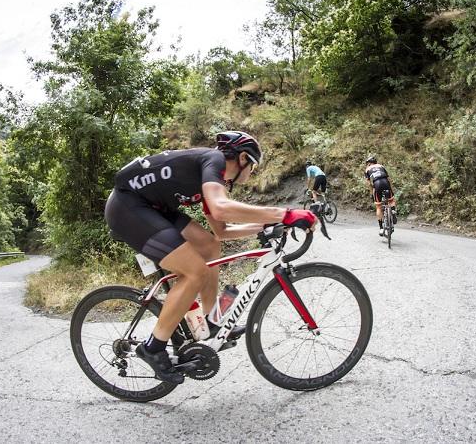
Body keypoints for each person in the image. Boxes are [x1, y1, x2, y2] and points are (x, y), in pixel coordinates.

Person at [105, 131, 318, 384]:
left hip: (154, 208)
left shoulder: (213, 181)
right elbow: (220, 208)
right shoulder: (213, 160)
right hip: (128, 206)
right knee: (195, 272)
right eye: (252, 165)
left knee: (209, 246)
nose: (252, 172)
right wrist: (283, 214)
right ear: (241, 159)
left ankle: (210, 320)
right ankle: (152, 348)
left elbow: (221, 232)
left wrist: (266, 226)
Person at [364, 156, 397, 236]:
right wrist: (392, 189)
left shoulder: (367, 169)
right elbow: (389, 179)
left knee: (378, 207)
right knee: (391, 200)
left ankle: (381, 228)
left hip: (377, 183)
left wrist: (372, 192)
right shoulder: (381, 166)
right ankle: (392, 211)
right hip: (386, 182)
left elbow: (368, 183)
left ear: (369, 163)